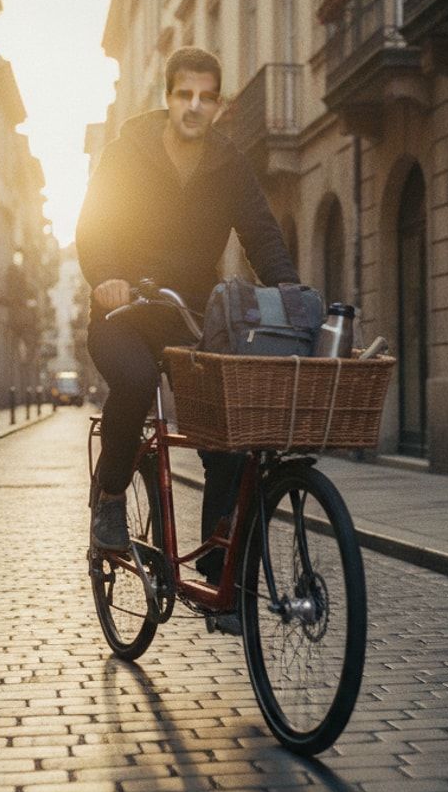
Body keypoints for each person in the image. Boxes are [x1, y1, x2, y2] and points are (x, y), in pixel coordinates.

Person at [76, 46, 299, 589]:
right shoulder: (128, 153)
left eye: (206, 97)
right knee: (135, 379)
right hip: (123, 312)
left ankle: (218, 566)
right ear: (168, 98)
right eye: (184, 95)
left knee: (225, 436)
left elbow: (260, 230)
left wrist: (288, 286)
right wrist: (106, 276)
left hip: (193, 317)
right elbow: (93, 224)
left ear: (219, 105)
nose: (195, 106)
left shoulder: (229, 162)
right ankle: (109, 498)